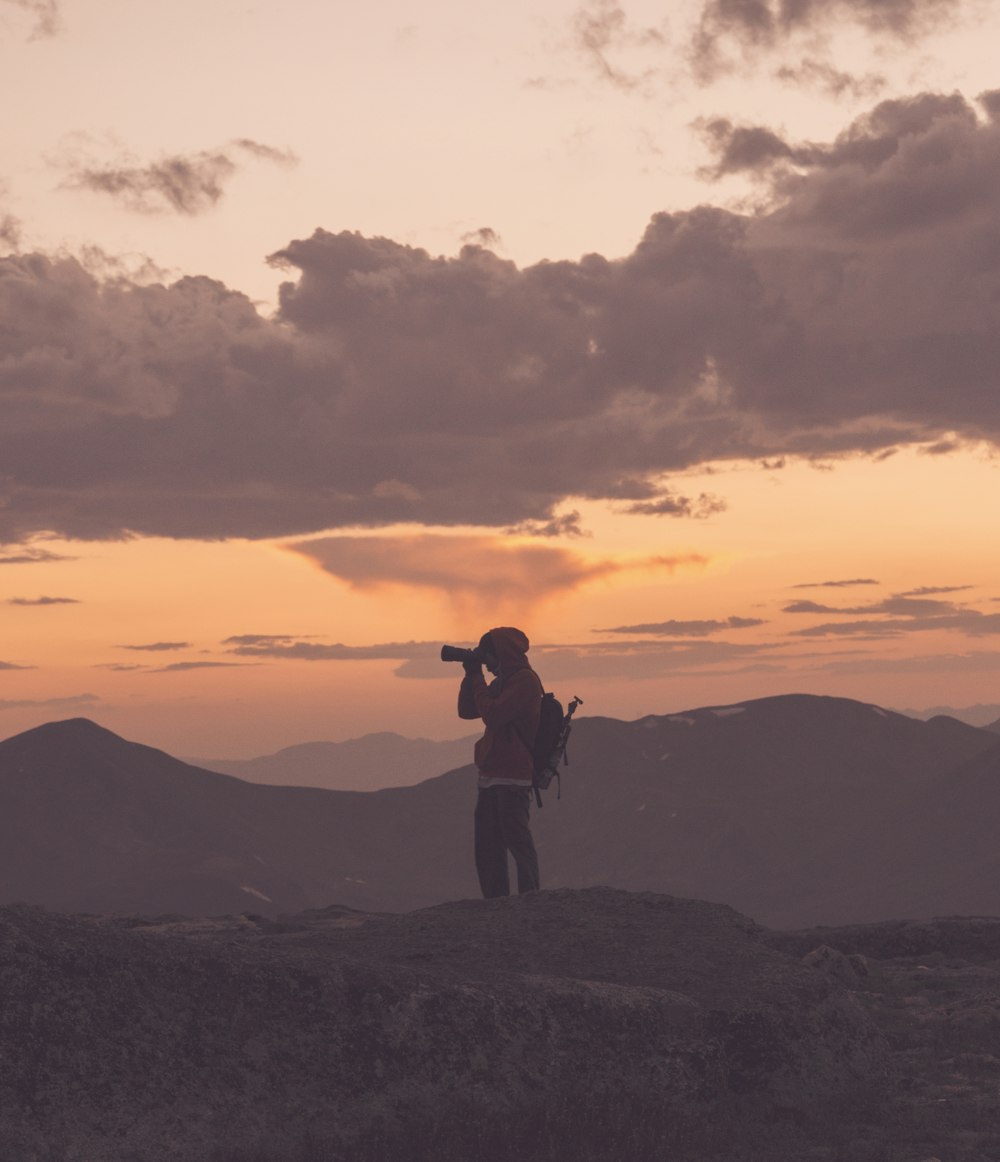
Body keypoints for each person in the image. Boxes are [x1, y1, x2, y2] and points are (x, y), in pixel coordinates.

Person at [458, 626, 542, 898]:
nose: (486, 662)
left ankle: (530, 897)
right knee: (488, 845)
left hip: (513, 777)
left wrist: (477, 679)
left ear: (501, 654)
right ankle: (496, 902)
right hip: (491, 775)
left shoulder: (525, 681)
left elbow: (493, 715)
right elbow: (467, 711)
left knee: (517, 841)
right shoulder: (500, 682)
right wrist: (470, 677)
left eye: (487, 656)